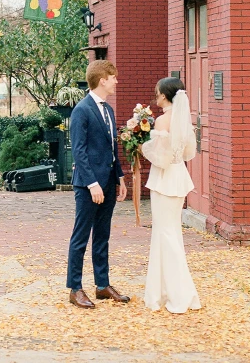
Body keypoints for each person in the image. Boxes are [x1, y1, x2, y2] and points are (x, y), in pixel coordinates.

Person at [66, 60, 128, 309]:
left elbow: (112, 149)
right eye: (113, 77)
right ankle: (75, 288)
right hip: (88, 186)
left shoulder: (109, 110)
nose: (116, 81)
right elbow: (78, 152)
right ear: (102, 79)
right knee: (80, 237)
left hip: (109, 183)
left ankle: (102, 285)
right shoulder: (81, 110)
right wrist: (92, 184)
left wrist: (120, 178)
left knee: (102, 236)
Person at [141, 77, 201, 313]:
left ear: (165, 96)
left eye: (157, 94)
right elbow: (187, 154)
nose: (156, 97)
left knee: (165, 235)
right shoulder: (183, 122)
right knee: (170, 233)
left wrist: (142, 147)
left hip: (164, 180)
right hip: (178, 178)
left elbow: (161, 159)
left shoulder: (162, 121)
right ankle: (165, 292)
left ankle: (177, 294)